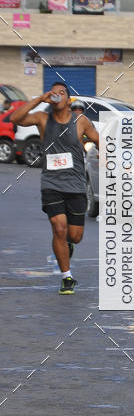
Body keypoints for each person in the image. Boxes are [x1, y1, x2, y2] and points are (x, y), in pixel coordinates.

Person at [10, 81, 99, 294]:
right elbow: (15, 118)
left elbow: (98, 139)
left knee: (75, 236)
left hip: (76, 185)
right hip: (51, 184)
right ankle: (66, 277)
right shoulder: (42, 118)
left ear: (68, 100)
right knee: (59, 228)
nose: (57, 95)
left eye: (62, 92)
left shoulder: (80, 121)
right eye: (54, 92)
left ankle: (68, 245)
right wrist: (40, 99)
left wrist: (106, 155)